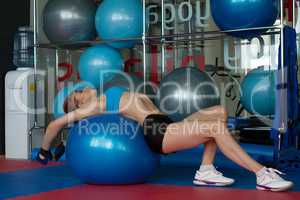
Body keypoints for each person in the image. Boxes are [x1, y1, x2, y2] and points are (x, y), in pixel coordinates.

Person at [37, 86, 293, 192]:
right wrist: (44, 151)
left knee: (219, 111)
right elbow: (55, 124)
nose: (83, 90)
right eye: (78, 94)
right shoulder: (94, 107)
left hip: (165, 123)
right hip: (156, 133)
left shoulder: (106, 93)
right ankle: (261, 175)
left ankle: (206, 170)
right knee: (215, 128)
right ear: (78, 104)